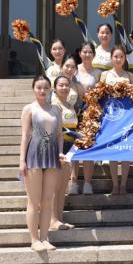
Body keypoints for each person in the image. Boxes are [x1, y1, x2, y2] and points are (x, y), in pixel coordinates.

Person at [19, 75, 63, 252]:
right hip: (34, 155)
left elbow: (59, 135)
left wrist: (60, 152)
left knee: (47, 200)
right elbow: (25, 136)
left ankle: (44, 237)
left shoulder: (56, 110)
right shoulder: (29, 109)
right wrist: (21, 161)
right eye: (39, 87)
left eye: (45, 87)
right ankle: (34, 239)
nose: (42, 90)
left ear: (50, 89)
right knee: (34, 201)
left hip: (52, 155)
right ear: (33, 89)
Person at [100, 45, 133, 195]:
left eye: (121, 56)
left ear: (125, 58)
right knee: (113, 150)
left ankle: (124, 184)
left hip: (126, 115)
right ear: (111, 58)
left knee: (125, 150)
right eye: (115, 56)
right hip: (111, 116)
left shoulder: (130, 75)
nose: (118, 59)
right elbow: (100, 94)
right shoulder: (104, 75)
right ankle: (115, 184)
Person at [70, 41, 102, 195]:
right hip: (74, 112)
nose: (87, 54)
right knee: (74, 147)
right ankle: (73, 182)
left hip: (91, 113)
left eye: (90, 52)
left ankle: (88, 183)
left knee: (88, 147)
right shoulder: (73, 70)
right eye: (84, 51)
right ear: (80, 53)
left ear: (94, 54)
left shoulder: (99, 73)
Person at [50, 75, 78, 231]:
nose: (64, 88)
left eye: (67, 85)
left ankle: (59, 218)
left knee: (62, 187)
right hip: (57, 147)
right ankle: (52, 220)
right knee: (55, 187)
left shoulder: (70, 104)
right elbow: (55, 127)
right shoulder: (54, 105)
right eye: (61, 85)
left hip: (70, 148)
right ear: (55, 88)